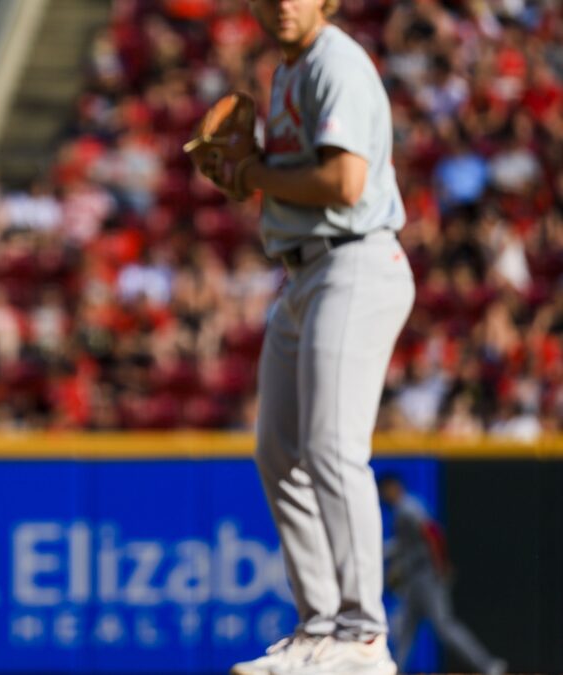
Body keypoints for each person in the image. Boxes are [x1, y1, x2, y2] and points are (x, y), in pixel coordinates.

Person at [211, 1, 417, 673]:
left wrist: (255, 173)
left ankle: (362, 631)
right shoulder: (287, 73)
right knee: (278, 450)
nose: (283, 4)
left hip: (355, 258)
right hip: (304, 273)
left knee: (332, 448)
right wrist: (256, 169)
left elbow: (344, 181)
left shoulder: (336, 63)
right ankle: (320, 624)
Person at [378, 474, 506, 675]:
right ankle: (395, 670)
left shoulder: (408, 507)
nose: (383, 495)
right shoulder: (403, 508)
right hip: (414, 579)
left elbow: (433, 533)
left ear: (393, 487)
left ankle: (488, 664)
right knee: (405, 630)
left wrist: (442, 565)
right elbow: (403, 545)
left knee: (445, 626)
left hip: (427, 576)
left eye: (385, 489)